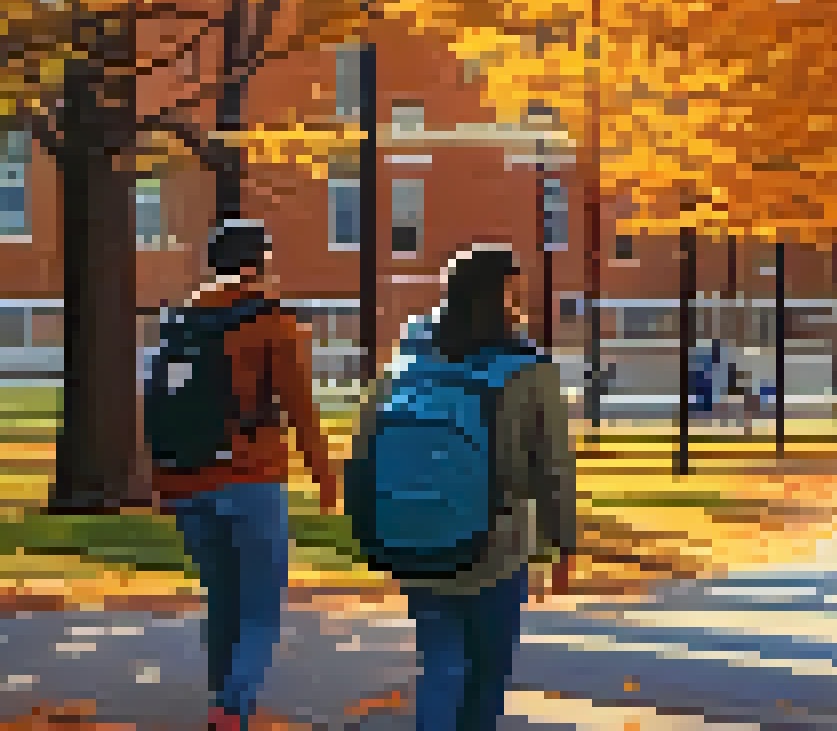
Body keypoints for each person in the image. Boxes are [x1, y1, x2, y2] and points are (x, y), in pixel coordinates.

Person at [349, 246, 578, 731]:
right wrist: (564, 543)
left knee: (440, 663)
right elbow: (553, 466)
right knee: (487, 671)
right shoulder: (526, 367)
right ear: (502, 294)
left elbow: (368, 436)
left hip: (417, 534)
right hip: (496, 545)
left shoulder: (411, 357)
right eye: (515, 290)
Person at [147, 220, 340, 731]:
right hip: (250, 480)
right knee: (259, 610)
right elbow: (300, 408)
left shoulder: (178, 322)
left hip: (184, 483)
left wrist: (160, 481)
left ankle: (222, 703)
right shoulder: (272, 320)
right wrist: (326, 480)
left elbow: (158, 404)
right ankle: (232, 710)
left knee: (222, 602)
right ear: (260, 263)